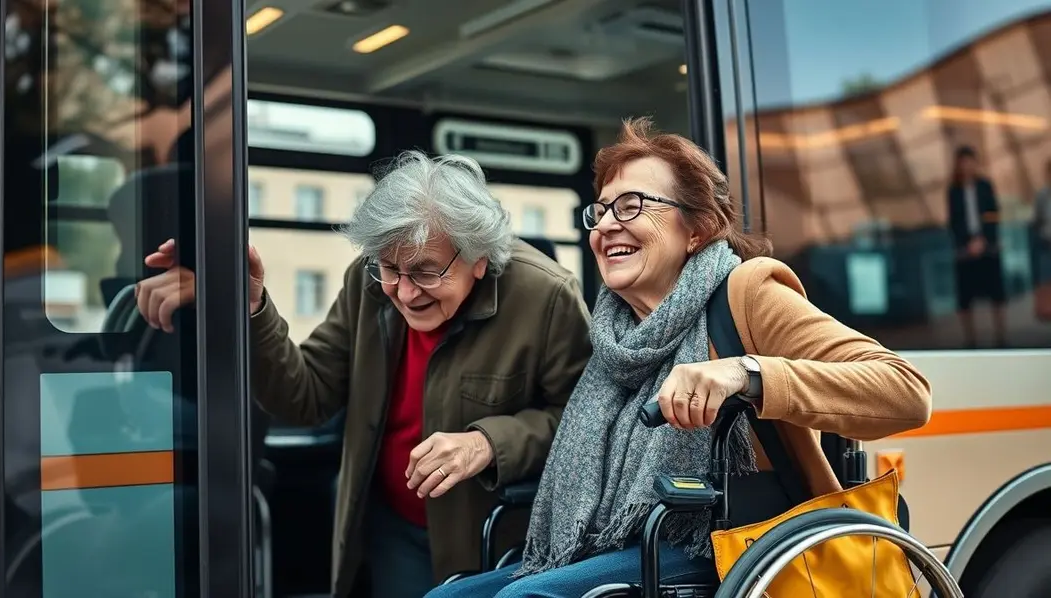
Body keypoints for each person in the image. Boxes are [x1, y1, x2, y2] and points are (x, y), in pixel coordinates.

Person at [425, 117, 933, 598]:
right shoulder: (612, 336)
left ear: (698, 229)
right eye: (601, 211)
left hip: (730, 543)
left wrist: (746, 373)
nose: (606, 226)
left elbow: (906, 392)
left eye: (631, 206)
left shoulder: (747, 293)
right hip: (622, 544)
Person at [134, 150, 593, 598]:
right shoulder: (367, 282)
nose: (405, 293)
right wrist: (251, 307)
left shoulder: (547, 296)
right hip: (391, 528)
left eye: (426, 273)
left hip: (496, 540)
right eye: (391, 269)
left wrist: (486, 444)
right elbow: (305, 396)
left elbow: (586, 426)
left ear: (479, 259)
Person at [946, 145, 1007, 347]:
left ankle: (1001, 337)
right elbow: (954, 220)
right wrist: (967, 242)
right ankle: (970, 339)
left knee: (996, 292)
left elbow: (992, 214)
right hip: (965, 248)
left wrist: (984, 239)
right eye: (963, 162)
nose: (967, 166)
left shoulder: (984, 186)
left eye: (970, 161)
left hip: (987, 244)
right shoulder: (954, 190)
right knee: (965, 296)